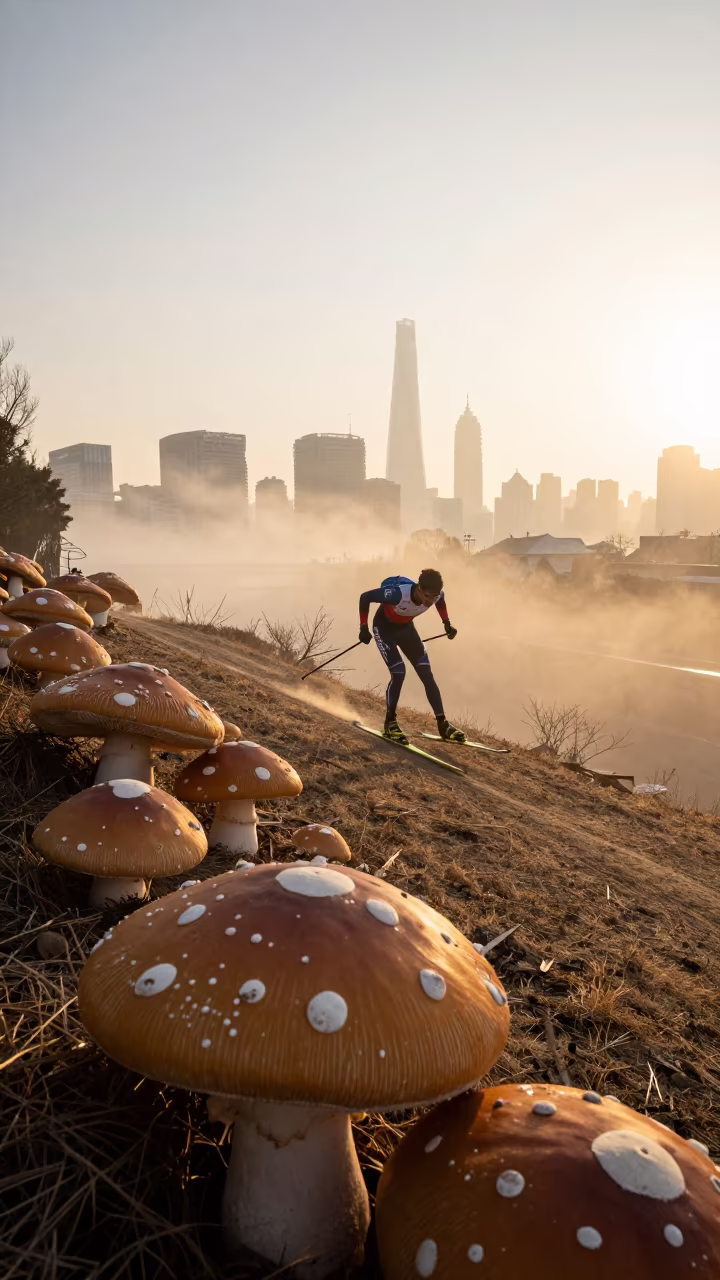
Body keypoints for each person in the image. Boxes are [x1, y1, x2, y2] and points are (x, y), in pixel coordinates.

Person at [358, 568, 466, 745]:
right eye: (429, 596)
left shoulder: (436, 595)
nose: (431, 601)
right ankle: (390, 722)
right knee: (399, 672)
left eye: (435, 596)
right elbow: (365, 597)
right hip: (384, 629)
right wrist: (363, 628)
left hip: (406, 630)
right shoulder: (397, 594)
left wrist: (446, 623)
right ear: (419, 589)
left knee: (426, 673)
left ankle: (443, 724)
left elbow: (441, 602)